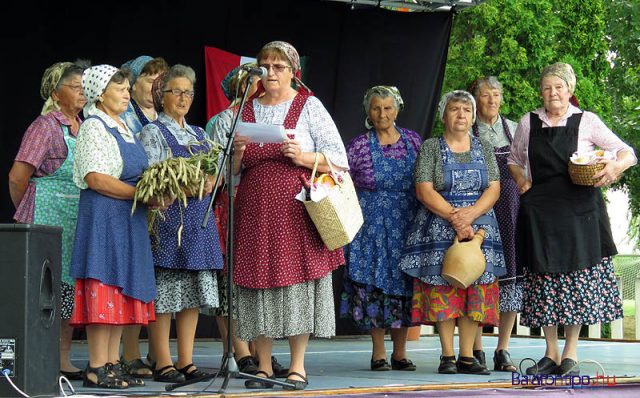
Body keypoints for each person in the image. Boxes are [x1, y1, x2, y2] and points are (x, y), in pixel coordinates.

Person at [232, 40, 348, 390]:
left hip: (296, 211)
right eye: (264, 65)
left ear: (293, 71)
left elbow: (339, 159)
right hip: (254, 212)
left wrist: (302, 156)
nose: (270, 72)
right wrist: (236, 154)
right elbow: (232, 174)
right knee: (258, 285)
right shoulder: (245, 109)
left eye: (278, 66)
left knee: (298, 285)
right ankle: (263, 365)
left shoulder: (308, 106)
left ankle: (297, 366)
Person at [508, 62, 637, 376]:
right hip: (540, 212)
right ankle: (550, 353)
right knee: (544, 282)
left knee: (576, 283)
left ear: (570, 91)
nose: (553, 93)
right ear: (541, 91)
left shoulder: (587, 121)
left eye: (559, 87)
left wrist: (613, 169)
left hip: (580, 211)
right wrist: (522, 181)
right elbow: (513, 159)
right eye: (548, 87)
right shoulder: (528, 121)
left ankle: (570, 353)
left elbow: (627, 152)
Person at [399, 90, 506, 375]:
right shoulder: (431, 147)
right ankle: (447, 355)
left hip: (480, 224)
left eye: (466, 110)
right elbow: (424, 189)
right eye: (455, 109)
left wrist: (470, 215)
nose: (461, 115)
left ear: (472, 117)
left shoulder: (484, 147)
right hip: (439, 223)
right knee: (444, 286)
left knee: (477, 288)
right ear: (444, 115)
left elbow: (494, 187)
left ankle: (467, 355)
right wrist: (455, 217)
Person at [70, 65, 163, 389]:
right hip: (105, 217)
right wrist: (142, 194)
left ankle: (111, 362)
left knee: (119, 289)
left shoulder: (123, 126)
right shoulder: (94, 126)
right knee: (104, 284)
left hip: (127, 218)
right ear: (100, 93)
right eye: (120, 88)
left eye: (127, 88)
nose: (127, 93)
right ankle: (96, 366)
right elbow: (96, 178)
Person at [139, 64, 223, 383]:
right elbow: (150, 178)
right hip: (168, 222)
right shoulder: (153, 131)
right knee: (164, 295)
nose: (184, 97)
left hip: (197, 224)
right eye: (177, 91)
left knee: (190, 296)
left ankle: (186, 361)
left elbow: (216, 172)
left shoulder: (199, 133)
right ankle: (163, 361)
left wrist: (212, 179)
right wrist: (185, 186)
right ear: (162, 95)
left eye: (189, 92)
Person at [8, 60, 87, 380]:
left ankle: (62, 358)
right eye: (75, 87)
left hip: (73, 219)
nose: (83, 92)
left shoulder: (85, 126)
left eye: (84, 87)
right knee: (42, 289)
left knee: (66, 289)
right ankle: (28, 360)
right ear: (56, 93)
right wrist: (29, 216)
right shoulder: (45, 126)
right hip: (43, 219)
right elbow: (17, 178)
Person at [340, 86, 422, 372]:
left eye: (388, 108)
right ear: (368, 112)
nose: (382, 113)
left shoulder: (413, 141)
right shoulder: (358, 145)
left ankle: (400, 353)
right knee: (374, 287)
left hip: (407, 222)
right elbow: (342, 184)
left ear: (397, 110)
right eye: (376, 108)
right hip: (370, 226)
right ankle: (378, 353)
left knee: (404, 286)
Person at [204, 62, 268, 377]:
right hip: (231, 204)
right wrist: (238, 157)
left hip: (259, 206)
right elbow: (216, 173)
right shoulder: (223, 121)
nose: (259, 87)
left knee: (254, 280)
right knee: (229, 279)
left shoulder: (267, 118)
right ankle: (239, 350)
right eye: (253, 82)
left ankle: (259, 351)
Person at [118, 54, 169, 379]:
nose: (156, 85)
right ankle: (130, 352)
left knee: (157, 281)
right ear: (133, 83)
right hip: (132, 206)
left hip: (164, 209)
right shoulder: (123, 116)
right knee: (133, 279)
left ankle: (157, 352)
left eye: (160, 79)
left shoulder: (164, 115)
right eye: (150, 79)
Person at [468, 76, 521, 372]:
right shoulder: (468, 132)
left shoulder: (515, 129)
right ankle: (476, 347)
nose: (491, 100)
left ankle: (503, 349)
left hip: (511, 213)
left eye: (496, 94)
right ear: (476, 100)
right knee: (479, 275)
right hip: (481, 214)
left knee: (511, 277)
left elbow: (526, 170)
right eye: (486, 95)